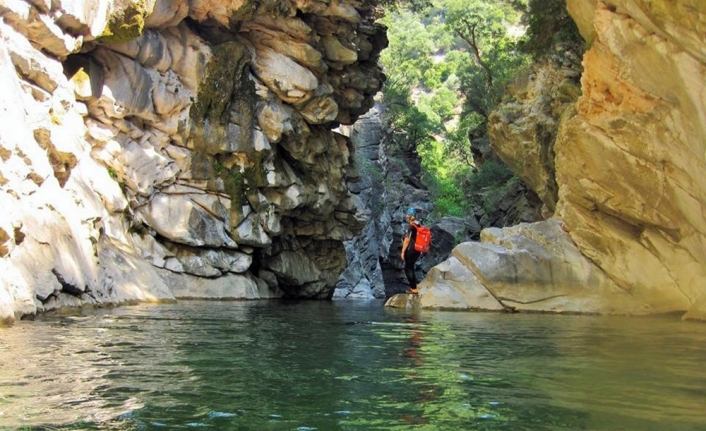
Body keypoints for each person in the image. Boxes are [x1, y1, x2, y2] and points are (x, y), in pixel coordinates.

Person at [400, 207, 422, 294]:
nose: (406, 217)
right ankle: (414, 287)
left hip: (410, 250)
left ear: (409, 216)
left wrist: (402, 252)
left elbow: (407, 240)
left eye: (407, 215)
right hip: (417, 250)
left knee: (408, 268)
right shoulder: (419, 225)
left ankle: (413, 288)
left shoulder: (410, 226)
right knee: (411, 267)